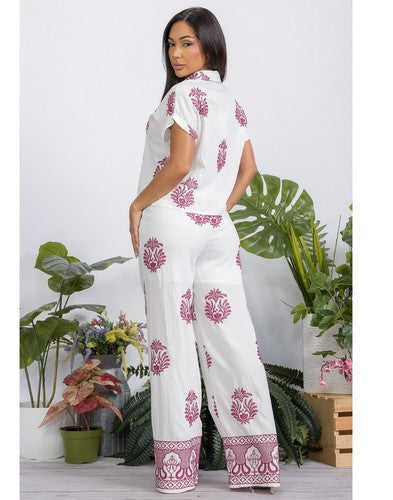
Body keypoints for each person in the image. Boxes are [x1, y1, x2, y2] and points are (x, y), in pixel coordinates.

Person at [129, 7, 280, 495]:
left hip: (170, 226)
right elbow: (248, 169)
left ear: (210, 46)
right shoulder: (230, 101)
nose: (176, 54)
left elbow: (178, 165)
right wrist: (214, 209)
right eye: (171, 44)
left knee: (170, 346)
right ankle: (257, 466)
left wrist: (137, 205)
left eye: (187, 43)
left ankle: (177, 475)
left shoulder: (181, 96)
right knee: (234, 341)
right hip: (217, 231)